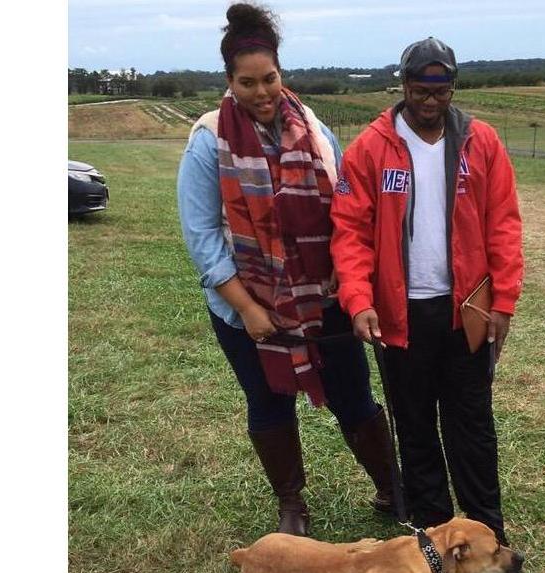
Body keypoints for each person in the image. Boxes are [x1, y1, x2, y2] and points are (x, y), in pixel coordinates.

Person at [177, 3, 395, 537]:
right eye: (247, 82)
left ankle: (394, 487)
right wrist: (248, 308)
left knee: (354, 397)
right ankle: (291, 505)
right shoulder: (209, 140)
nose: (262, 92)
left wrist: (351, 284)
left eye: (269, 78)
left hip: (324, 296)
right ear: (229, 82)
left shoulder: (316, 131)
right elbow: (203, 237)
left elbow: (345, 213)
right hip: (246, 305)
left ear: (282, 72)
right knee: (269, 399)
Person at [330, 37, 524, 545]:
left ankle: (487, 534)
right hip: (400, 316)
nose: (431, 100)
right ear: (404, 86)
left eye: (441, 90)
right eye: (420, 89)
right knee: (415, 427)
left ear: (453, 88)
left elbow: (503, 223)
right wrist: (359, 299)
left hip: (468, 311)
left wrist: (503, 301)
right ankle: (432, 538)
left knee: (472, 427)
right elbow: (349, 232)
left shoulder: (482, 142)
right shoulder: (371, 148)